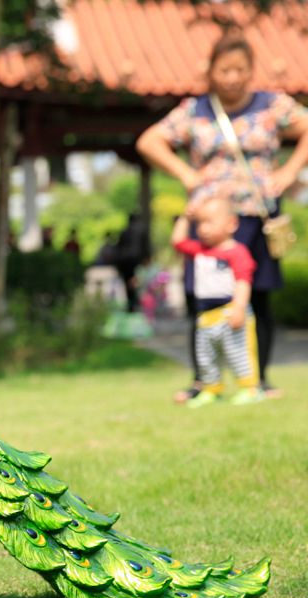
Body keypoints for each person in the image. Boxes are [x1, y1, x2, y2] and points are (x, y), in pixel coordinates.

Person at [136, 30, 308, 400]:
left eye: (240, 70)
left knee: (258, 294)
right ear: (211, 71)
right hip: (209, 221)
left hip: (256, 215)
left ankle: (258, 378)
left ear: (251, 71)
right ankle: (203, 380)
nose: (233, 77)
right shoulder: (194, 110)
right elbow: (149, 141)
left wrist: (290, 171)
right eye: (225, 70)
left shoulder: (272, 105)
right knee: (205, 296)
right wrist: (185, 174)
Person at [172, 199, 262, 407]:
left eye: (209, 222)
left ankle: (250, 388)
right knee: (206, 356)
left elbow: (242, 282)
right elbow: (177, 241)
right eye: (199, 223)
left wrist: (239, 307)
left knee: (239, 353)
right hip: (205, 315)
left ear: (231, 223)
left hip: (230, 311)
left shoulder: (237, 252)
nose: (203, 228)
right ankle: (212, 389)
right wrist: (186, 217)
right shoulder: (200, 250)